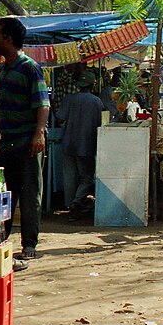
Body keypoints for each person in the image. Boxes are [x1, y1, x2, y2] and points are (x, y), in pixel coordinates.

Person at [0, 17, 50, 261]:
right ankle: (2, 241)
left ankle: (29, 245)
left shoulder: (29, 67)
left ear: (8, 39)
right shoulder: (5, 69)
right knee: (6, 194)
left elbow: (43, 105)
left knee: (29, 193)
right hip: (8, 142)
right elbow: (5, 108)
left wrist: (39, 133)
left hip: (27, 143)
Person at [56, 70, 103, 219]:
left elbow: (59, 118)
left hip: (69, 143)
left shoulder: (69, 99)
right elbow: (101, 123)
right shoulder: (96, 102)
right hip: (86, 145)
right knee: (87, 177)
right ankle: (76, 202)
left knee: (70, 176)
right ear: (92, 84)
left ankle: (70, 203)